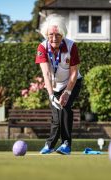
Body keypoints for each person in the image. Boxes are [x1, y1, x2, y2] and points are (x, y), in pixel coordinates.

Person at [35, 14, 82, 155]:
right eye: (51, 34)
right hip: (54, 86)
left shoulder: (71, 46)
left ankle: (66, 145)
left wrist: (67, 93)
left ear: (62, 34)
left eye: (57, 34)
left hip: (72, 83)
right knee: (56, 114)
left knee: (66, 108)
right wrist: (51, 95)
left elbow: (74, 73)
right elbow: (46, 74)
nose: (54, 38)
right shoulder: (42, 48)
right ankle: (49, 145)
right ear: (46, 35)